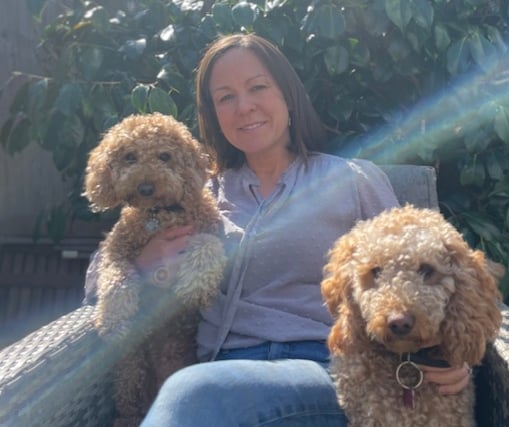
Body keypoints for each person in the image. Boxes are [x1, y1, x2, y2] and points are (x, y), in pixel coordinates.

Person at [85, 33, 472, 426]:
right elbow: (98, 280)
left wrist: (447, 353)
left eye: (257, 87)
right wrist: (145, 263)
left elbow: (424, 267)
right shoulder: (196, 193)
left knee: (193, 393)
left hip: (326, 369)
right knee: (195, 390)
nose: (244, 106)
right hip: (218, 368)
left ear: (287, 94)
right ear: (213, 113)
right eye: (226, 97)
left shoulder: (350, 182)